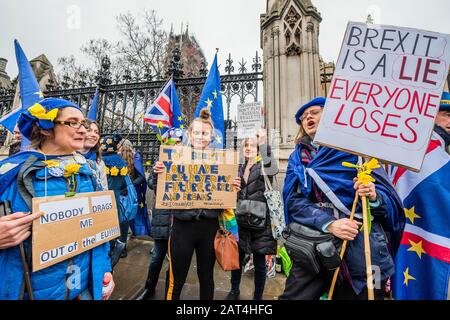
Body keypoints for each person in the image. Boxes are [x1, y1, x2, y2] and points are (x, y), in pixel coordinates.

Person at [280, 97, 404, 300]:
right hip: (315, 246)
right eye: (303, 117)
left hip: (362, 246)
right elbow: (293, 202)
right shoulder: (297, 157)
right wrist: (328, 223)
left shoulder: (358, 150)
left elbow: (389, 203)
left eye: (314, 112)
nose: (307, 117)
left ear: (329, 115)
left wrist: (373, 196)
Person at [0, 98, 113, 300]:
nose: (83, 131)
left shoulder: (89, 174)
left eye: (83, 124)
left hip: (81, 290)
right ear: (45, 128)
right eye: (72, 122)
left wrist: (104, 271)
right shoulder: (11, 173)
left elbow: (99, 232)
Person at [152, 109, 241, 300]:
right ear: (190, 135)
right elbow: (158, 187)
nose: (201, 137)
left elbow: (228, 195)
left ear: (211, 137)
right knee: (177, 278)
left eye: (205, 133)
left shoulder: (222, 160)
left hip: (209, 228)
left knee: (206, 277)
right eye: (197, 133)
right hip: (182, 228)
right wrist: (158, 173)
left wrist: (234, 186)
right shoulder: (174, 156)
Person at [226, 129, 278, 300]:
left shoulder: (263, 164)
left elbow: (273, 169)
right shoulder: (239, 167)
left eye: (252, 145)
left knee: (259, 263)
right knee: (237, 260)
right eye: (246, 145)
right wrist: (234, 188)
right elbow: (235, 195)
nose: (248, 148)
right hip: (241, 221)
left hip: (260, 223)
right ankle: (234, 290)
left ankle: (258, 297)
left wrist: (263, 143)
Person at [100, 134, 133, 266]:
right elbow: (124, 184)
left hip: (101, 204)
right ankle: (118, 250)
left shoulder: (99, 161)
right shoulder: (120, 162)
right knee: (120, 226)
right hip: (116, 200)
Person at [118, 141, 150, 257]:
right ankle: (122, 246)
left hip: (126, 192)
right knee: (125, 219)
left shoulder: (135, 156)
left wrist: (129, 185)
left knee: (123, 220)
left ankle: (122, 247)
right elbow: (141, 177)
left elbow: (141, 177)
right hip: (129, 193)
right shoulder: (129, 156)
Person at [79, 120, 108, 190]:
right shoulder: (65, 157)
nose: (94, 135)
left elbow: (104, 190)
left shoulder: (99, 162)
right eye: (88, 130)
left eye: (96, 132)